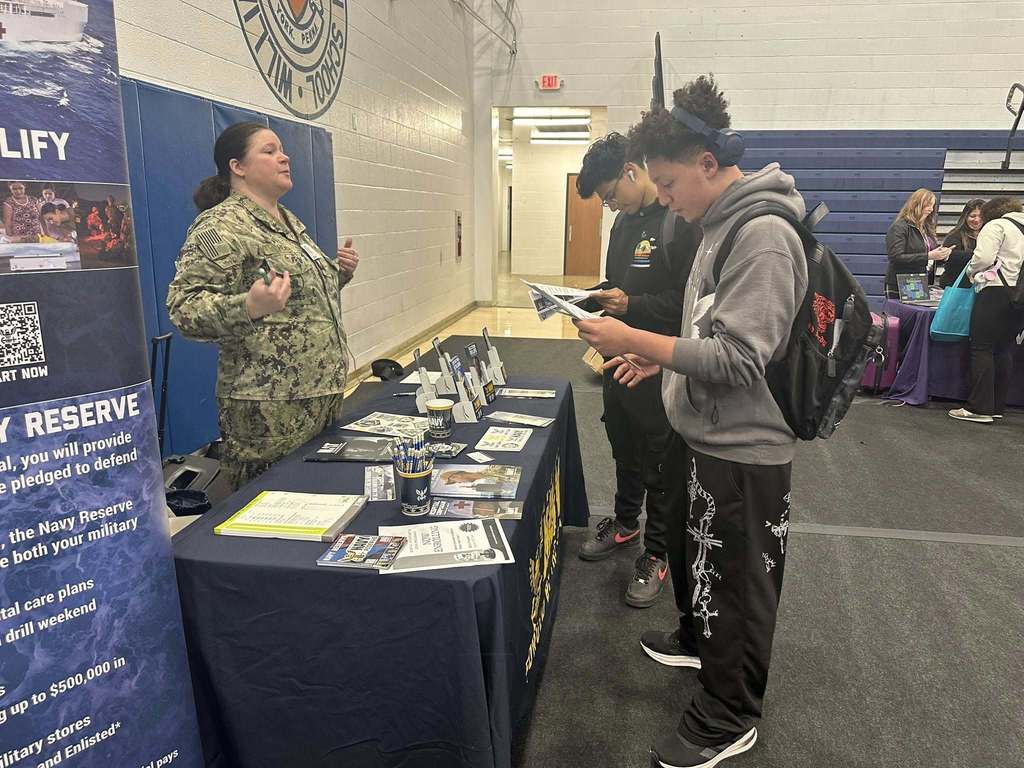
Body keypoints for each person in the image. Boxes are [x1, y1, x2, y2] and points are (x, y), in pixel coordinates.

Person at [574, 75, 806, 768]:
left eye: (671, 183)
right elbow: (701, 328)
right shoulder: (716, 225)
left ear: (710, 165)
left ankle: (728, 716)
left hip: (745, 446)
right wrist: (665, 365)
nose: (665, 199)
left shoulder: (762, 234)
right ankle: (704, 648)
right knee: (707, 569)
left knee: (736, 583)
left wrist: (634, 343)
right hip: (708, 432)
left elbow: (740, 359)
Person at [167, 121, 359, 490]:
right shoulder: (221, 226)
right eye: (269, 151)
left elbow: (296, 299)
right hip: (268, 408)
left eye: (282, 150)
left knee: (317, 499)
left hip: (318, 395)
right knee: (270, 510)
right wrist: (248, 306)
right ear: (237, 166)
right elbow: (184, 308)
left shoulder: (287, 221)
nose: (284, 157)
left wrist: (338, 273)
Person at [573, 132, 700, 608]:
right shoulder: (624, 226)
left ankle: (659, 552)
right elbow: (617, 286)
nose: (610, 206)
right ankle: (626, 524)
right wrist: (586, 299)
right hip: (617, 359)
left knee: (661, 463)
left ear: (631, 171)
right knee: (623, 445)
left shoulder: (678, 222)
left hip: (660, 365)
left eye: (610, 196)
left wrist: (634, 304)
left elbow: (688, 305)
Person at [949, 196, 1024, 424]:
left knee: (982, 348)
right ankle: (997, 405)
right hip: (1020, 295)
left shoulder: (996, 226)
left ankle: (979, 409)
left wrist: (972, 272)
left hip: (995, 292)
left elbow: (983, 257)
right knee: (1004, 350)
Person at [885, 188, 950, 297]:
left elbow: (928, 256)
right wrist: (928, 256)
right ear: (916, 205)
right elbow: (895, 257)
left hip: (920, 280)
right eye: (928, 205)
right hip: (901, 281)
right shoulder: (900, 227)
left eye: (933, 206)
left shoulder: (927, 229)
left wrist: (942, 255)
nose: (930, 209)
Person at [939, 199, 985, 288]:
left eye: (981, 216)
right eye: (972, 216)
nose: (977, 220)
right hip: (956, 285)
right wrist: (980, 255)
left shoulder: (990, 234)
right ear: (965, 217)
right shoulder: (955, 234)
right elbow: (951, 256)